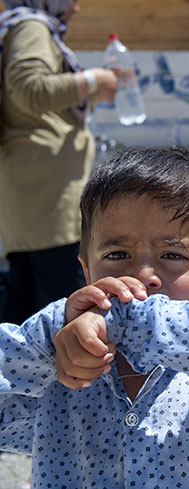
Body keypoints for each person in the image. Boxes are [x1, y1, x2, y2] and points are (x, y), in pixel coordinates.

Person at [0, 147, 189, 488]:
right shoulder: (56, 371)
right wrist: (54, 333)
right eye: (118, 254)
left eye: (172, 255)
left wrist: (122, 318)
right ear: (87, 271)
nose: (143, 275)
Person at [0, 0, 118, 324]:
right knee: (67, 306)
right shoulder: (31, 27)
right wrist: (93, 81)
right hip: (47, 196)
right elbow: (30, 89)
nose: (76, 9)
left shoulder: (20, 26)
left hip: (32, 191)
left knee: (24, 305)